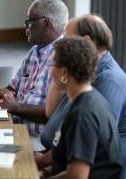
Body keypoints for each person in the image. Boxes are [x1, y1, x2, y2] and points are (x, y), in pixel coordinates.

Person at [37, 15, 126, 176]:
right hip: (59, 162)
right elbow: (63, 135)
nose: (49, 72)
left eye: (52, 65)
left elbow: (77, 175)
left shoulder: (84, 111)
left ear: (65, 72)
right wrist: (42, 162)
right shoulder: (81, 94)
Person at [0, 0, 68, 139]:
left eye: (30, 22)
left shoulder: (65, 57)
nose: (26, 27)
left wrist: (15, 107)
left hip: (40, 141)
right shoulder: (34, 51)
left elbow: (57, 112)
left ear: (46, 24)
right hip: (17, 128)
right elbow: (13, 87)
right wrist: (3, 94)